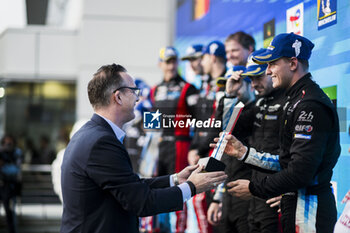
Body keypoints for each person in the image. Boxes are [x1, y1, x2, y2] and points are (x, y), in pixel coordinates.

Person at [60, 63, 227, 233]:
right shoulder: (101, 142)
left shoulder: (93, 135)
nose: (138, 98)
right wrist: (192, 187)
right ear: (118, 97)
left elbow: (130, 185)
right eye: (134, 91)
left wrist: (176, 179)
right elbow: (141, 202)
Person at [215, 33, 340, 233]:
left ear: (292, 63)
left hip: (308, 207)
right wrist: (244, 153)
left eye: (272, 64)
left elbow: (300, 171)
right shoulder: (295, 100)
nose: (268, 71)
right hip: (293, 202)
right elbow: (286, 161)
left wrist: (255, 188)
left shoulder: (309, 104)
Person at [208, 49, 284, 233]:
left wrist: (290, 190)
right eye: (252, 78)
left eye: (258, 77)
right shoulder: (258, 105)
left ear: (270, 70)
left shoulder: (289, 103)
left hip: (275, 197)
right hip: (255, 197)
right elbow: (227, 131)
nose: (255, 83)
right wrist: (230, 96)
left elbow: (301, 156)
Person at [151, 46, 199, 232]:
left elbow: (201, 120)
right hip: (159, 145)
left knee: (181, 188)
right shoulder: (155, 89)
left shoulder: (188, 88)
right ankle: (158, 229)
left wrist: (195, 146)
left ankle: (180, 229)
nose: (170, 66)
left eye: (173, 61)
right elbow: (151, 122)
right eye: (167, 62)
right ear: (160, 64)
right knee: (156, 188)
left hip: (180, 143)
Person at [0, 134, 23, 233]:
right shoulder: (1, 153)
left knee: (10, 213)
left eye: (10, 142)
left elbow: (15, 170)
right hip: (2, 185)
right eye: (6, 142)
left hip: (11, 188)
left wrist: (4, 165)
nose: (8, 145)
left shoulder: (16, 153)